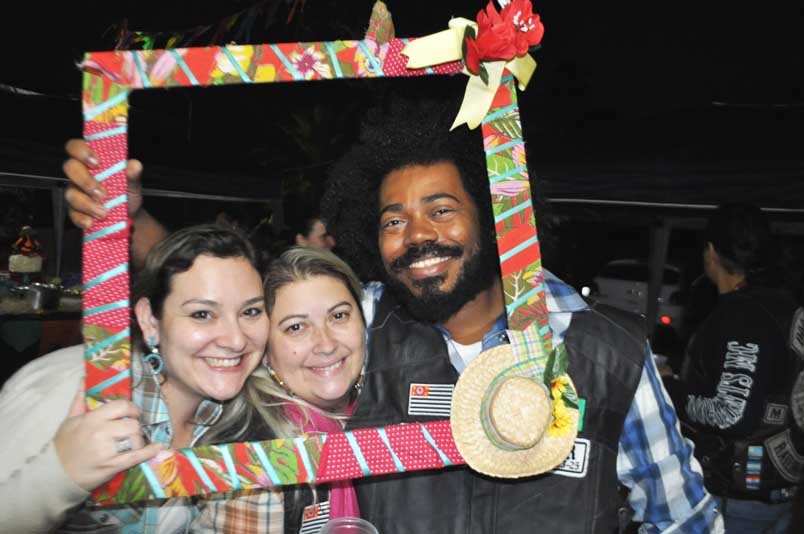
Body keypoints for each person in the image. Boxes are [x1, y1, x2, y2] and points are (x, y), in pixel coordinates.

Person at [61, 95, 722, 532]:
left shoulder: (605, 354)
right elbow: (241, 307)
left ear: (494, 218)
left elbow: (686, 520)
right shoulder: (359, 330)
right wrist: (126, 219)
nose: (417, 235)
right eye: (393, 220)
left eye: (441, 209)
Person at [0, 223, 269, 532]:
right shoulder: (72, 386)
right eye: (202, 314)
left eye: (251, 312)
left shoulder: (230, 414)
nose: (236, 340)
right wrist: (61, 476)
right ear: (149, 320)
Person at [195, 246, 368, 533]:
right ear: (266, 350)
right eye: (296, 327)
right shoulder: (254, 460)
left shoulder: (386, 413)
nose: (326, 344)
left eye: (338, 316)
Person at [664, 203, 803, 534]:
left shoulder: (744, 315)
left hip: (735, 497)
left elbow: (731, 413)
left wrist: (669, 388)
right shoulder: (787, 305)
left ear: (711, 252)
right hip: (776, 490)